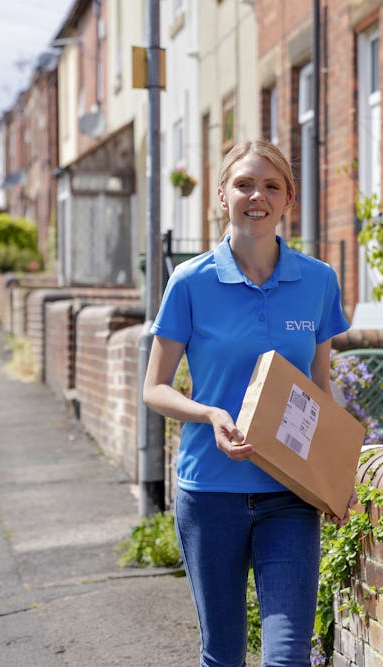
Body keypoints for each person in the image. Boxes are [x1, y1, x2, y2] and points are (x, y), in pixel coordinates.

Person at [143, 139, 351, 667]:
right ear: (221, 196)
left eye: (271, 186)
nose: (256, 195)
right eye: (244, 184)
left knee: (287, 656)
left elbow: (321, 385)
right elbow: (155, 389)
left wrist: (335, 476)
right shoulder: (191, 282)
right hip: (210, 492)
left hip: (289, 495)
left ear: (289, 199)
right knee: (224, 653)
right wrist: (210, 414)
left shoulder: (319, 281)